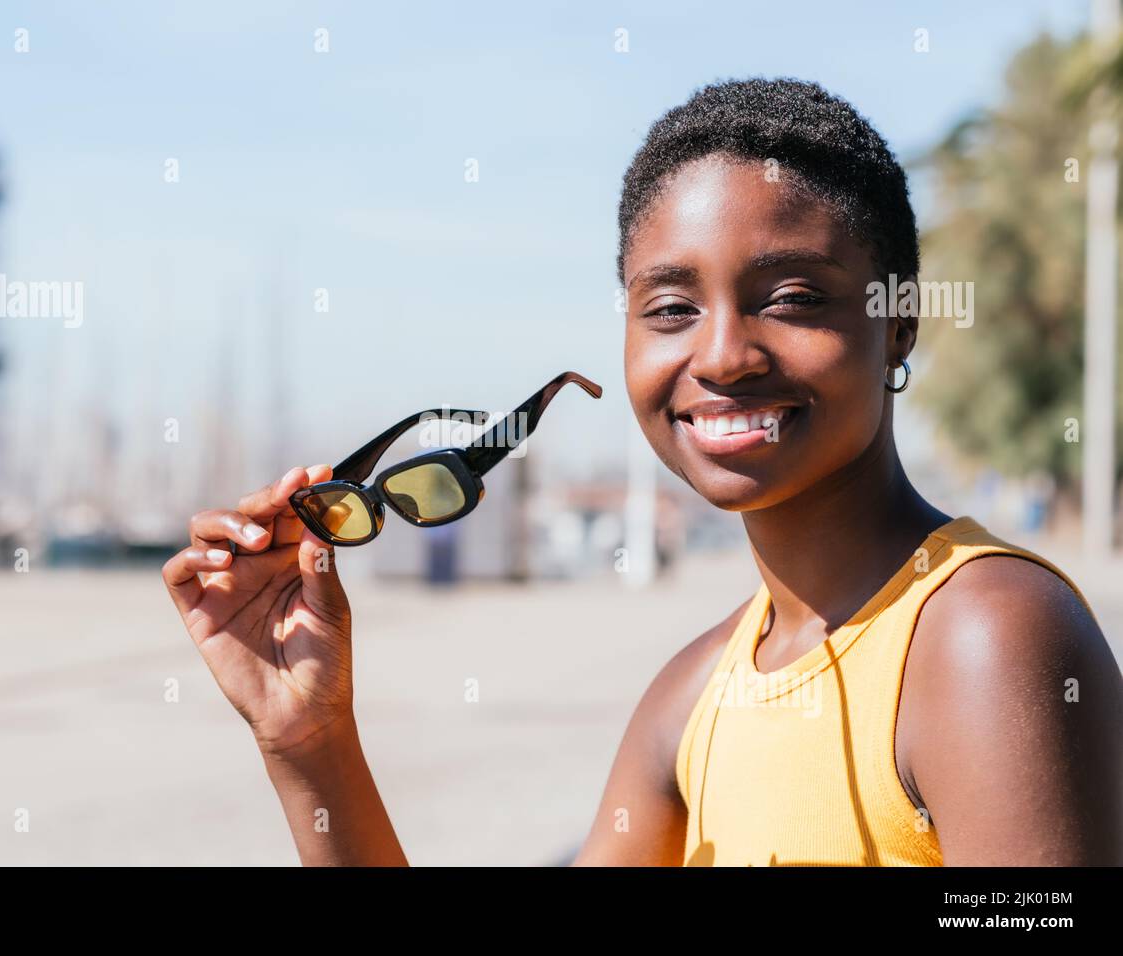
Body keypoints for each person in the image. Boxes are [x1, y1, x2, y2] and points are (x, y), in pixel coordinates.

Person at [162, 78, 1122, 866]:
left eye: (790, 297)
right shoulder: (691, 695)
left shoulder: (983, 637)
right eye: (669, 308)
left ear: (898, 323)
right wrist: (311, 744)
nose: (723, 355)